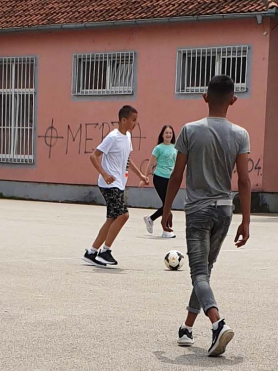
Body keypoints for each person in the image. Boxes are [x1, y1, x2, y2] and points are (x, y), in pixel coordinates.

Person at [162, 75, 251, 357]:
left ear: (204, 97)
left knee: (199, 273)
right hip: (225, 210)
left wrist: (166, 209)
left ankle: (217, 323)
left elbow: (177, 175)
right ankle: (187, 327)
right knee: (205, 272)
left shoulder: (189, 130)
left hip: (199, 210)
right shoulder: (240, 134)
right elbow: (245, 181)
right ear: (233, 100)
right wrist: (246, 221)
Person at [82, 105, 150, 267]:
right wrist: (104, 174)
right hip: (108, 185)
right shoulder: (112, 137)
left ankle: (92, 252)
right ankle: (105, 252)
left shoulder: (127, 137)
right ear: (123, 120)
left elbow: (127, 158)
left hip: (118, 184)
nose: (135, 124)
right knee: (123, 215)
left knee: (112, 218)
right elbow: (94, 156)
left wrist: (140, 175)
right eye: (133, 120)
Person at [142, 125, 178, 238]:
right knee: (167, 204)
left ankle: (151, 219)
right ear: (162, 135)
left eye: (170, 133)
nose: (168, 135)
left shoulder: (175, 147)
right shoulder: (158, 148)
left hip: (171, 179)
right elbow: (151, 164)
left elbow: (177, 164)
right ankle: (166, 230)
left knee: (167, 204)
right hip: (160, 178)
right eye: (166, 133)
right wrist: (144, 178)